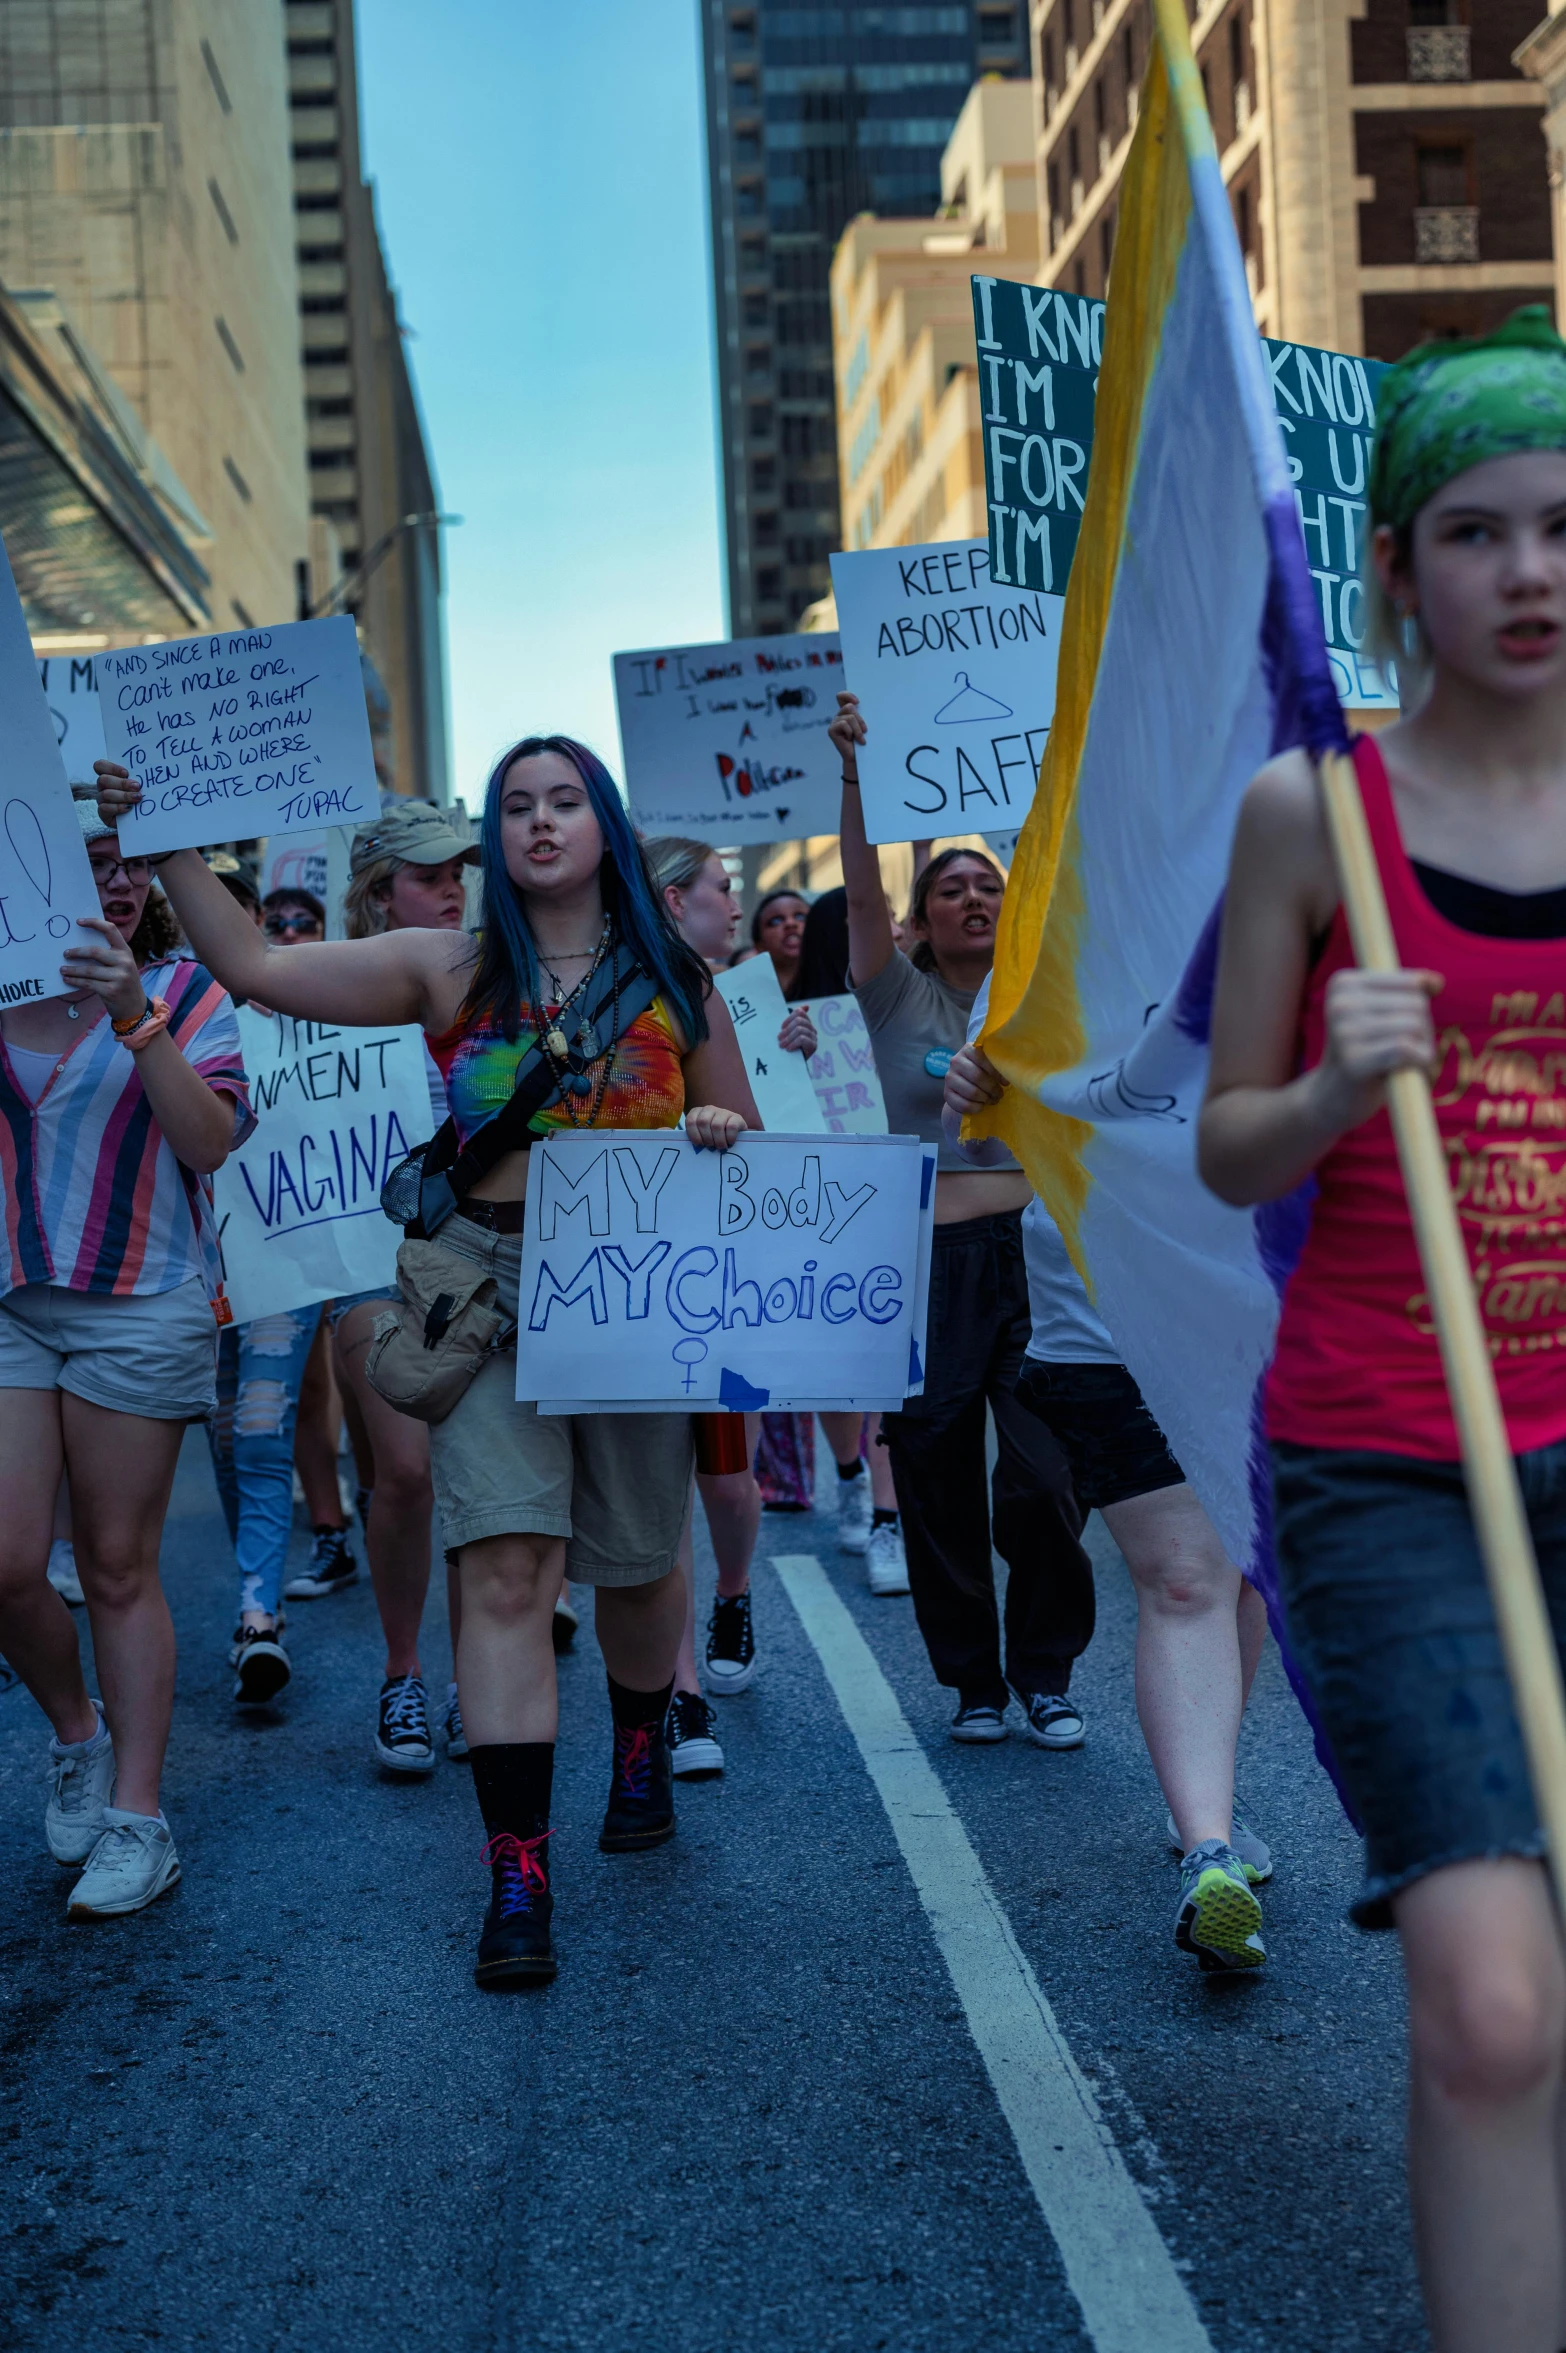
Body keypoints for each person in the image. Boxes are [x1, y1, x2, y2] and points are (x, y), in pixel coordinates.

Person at [96, 736, 757, 1989]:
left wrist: (717, 1125)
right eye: (517, 806)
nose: (541, 823)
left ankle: (637, 1740)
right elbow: (250, 965)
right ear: (494, 837)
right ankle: (519, 1870)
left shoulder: (680, 978)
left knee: (634, 1564)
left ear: (606, 825)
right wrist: (165, 832)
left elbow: (753, 1147)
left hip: (634, 1299)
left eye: (566, 801)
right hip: (487, 1295)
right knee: (505, 1568)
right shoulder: (445, 964)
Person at [1197, 309, 1566, 2348]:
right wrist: (1335, 1085)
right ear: (1398, 565)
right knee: (1498, 2009)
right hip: (1394, 1466)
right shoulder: (1310, 819)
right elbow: (1231, 1151)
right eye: (1480, 530)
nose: (1531, 573)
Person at [944, 1012, 1273, 1973]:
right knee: (1185, 1577)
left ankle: (1210, 1818)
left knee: (1239, 1571)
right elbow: (998, 1134)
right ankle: (1208, 1848)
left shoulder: (1281, 896)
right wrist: (976, 1083)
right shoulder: (1046, 930)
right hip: (1104, 1316)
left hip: (1263, 1304)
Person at [0, 799, 250, 1919]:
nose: (116, 884)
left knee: (114, 1564)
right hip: (10, 1294)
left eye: (130, 866)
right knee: (6, 1564)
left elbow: (208, 1144)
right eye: (91, 861)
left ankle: (140, 1818)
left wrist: (132, 1013)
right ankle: (77, 1735)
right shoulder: (4, 984)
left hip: (141, 1302)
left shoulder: (191, 991)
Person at [829, 693, 1096, 1740]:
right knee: (935, 1474)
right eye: (954, 884)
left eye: (991, 882)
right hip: (927, 1265)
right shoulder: (892, 993)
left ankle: (1046, 1672)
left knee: (1044, 1474)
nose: (975, 895)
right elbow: (857, 901)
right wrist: (856, 775)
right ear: (923, 914)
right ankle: (975, 1686)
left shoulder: (1046, 993)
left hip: (1037, 1256)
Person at [315, 800, 492, 1773]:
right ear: (380, 893)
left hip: (466, 1257)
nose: (454, 886)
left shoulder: (486, 978)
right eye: (432, 875)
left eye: (460, 871)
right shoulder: (318, 989)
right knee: (406, 1474)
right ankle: (402, 1672)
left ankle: (476, 1676)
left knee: (468, 1477)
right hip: (359, 1259)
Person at [750, 888, 809, 998]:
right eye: (776, 921)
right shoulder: (749, 999)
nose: (790, 923)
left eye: (800, 917)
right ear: (759, 946)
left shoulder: (846, 983)